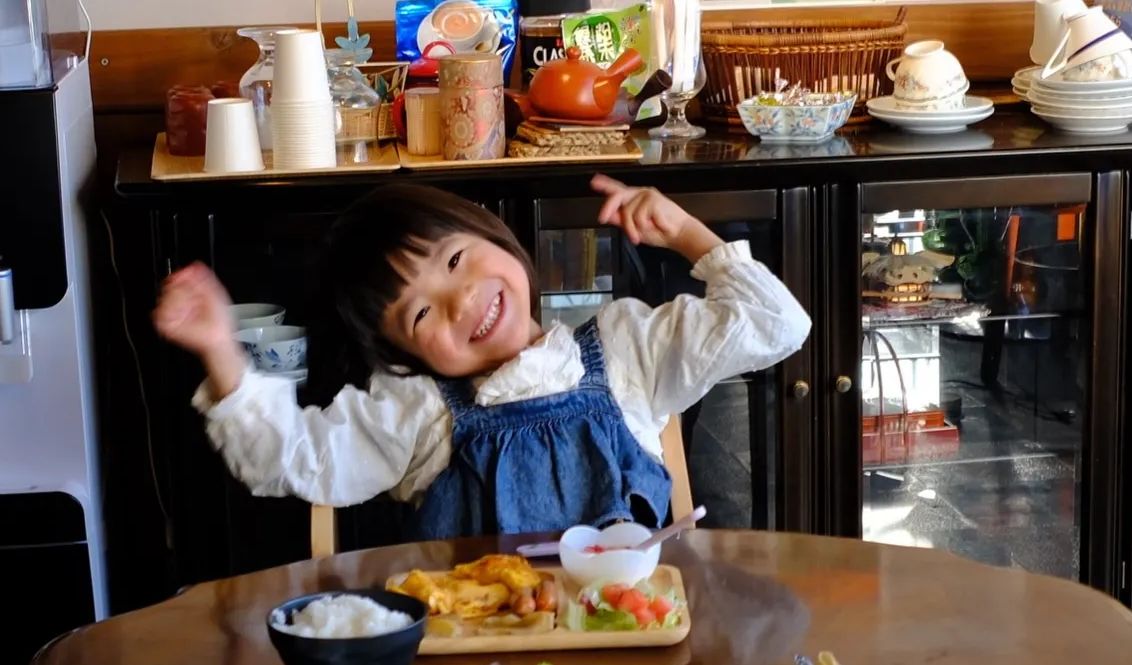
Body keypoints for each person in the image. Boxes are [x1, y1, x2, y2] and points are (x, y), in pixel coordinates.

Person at [153, 175, 810, 536]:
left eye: (456, 260)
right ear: (402, 355)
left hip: (636, 644)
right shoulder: (415, 414)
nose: (461, 300)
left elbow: (775, 325)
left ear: (493, 235)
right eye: (419, 313)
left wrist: (688, 235)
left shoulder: (627, 352)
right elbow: (289, 457)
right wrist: (220, 348)